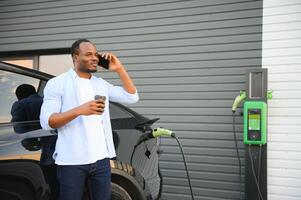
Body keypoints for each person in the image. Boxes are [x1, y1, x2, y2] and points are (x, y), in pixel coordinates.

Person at [39, 39, 139, 200]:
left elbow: (132, 97)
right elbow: (47, 122)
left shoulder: (100, 84)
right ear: (75, 57)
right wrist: (79, 110)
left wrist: (119, 69)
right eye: (88, 54)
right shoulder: (57, 83)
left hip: (101, 160)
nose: (95, 58)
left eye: (95, 54)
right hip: (71, 161)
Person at [11, 84, 59, 200]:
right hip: (69, 154)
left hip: (50, 157)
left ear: (19, 96)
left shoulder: (21, 104)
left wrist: (30, 144)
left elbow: (19, 130)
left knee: (53, 190)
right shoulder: (51, 103)